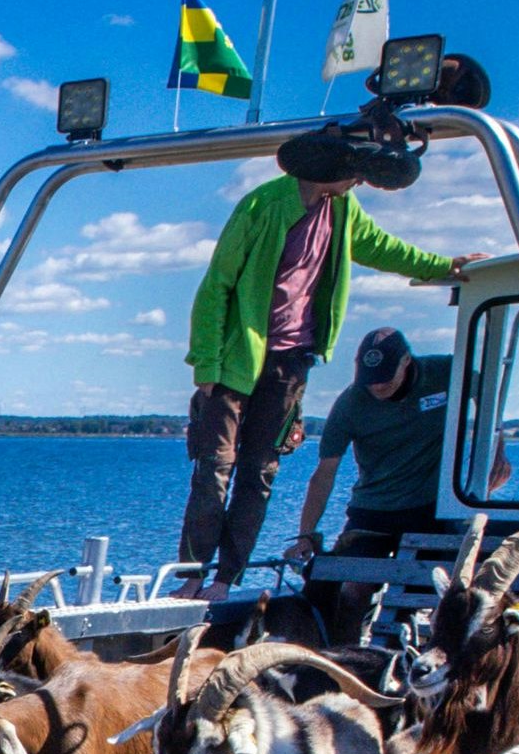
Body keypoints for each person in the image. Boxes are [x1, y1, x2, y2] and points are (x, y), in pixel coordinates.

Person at [179, 153, 475, 595]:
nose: (359, 181)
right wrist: (207, 362)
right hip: (236, 357)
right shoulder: (263, 205)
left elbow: (386, 249)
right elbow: (217, 282)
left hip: (291, 361)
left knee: (259, 473)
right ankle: (190, 575)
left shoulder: (344, 210)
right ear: (331, 169)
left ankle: (226, 578)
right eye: (355, 172)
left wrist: (445, 266)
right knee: (216, 466)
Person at [284, 326, 451, 640]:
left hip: (429, 509)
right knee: (350, 588)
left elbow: (492, 386)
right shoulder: (351, 403)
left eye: (385, 378)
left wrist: (496, 446)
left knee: (422, 593)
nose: (377, 387)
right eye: (369, 379)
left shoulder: (443, 373)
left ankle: (403, 650)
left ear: (406, 362)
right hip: (372, 510)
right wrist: (306, 534)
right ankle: (344, 659)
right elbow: (324, 473)